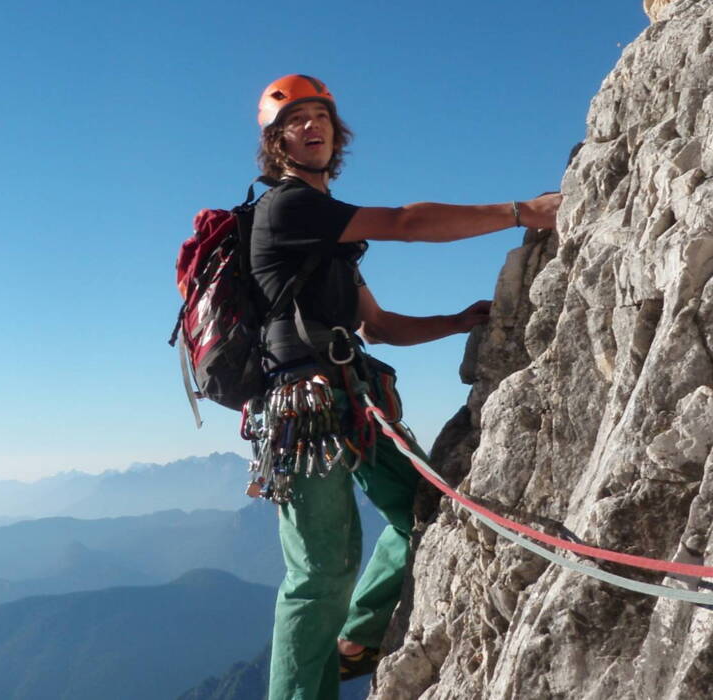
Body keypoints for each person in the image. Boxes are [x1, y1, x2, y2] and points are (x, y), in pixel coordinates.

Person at [246, 74, 560, 700]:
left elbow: (379, 326)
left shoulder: (332, 241)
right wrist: (521, 213)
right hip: (304, 410)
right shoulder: (287, 207)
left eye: (321, 118)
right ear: (277, 143)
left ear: (336, 134)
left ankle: (356, 639)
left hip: (349, 398)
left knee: (423, 510)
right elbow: (408, 222)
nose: (312, 128)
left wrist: (455, 322)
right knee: (318, 575)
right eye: (296, 121)